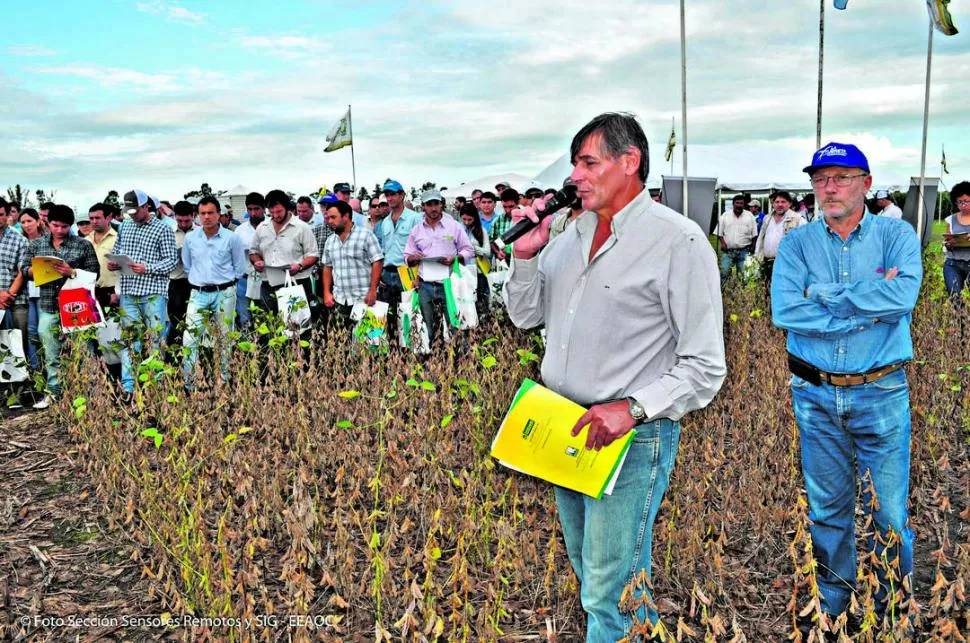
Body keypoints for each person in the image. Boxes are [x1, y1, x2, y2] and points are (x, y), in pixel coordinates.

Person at [504, 112, 725, 640]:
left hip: (629, 437)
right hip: (565, 430)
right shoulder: (565, 235)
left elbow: (705, 365)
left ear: (630, 163)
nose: (574, 177)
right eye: (574, 164)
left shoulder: (678, 242)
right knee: (595, 577)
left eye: (588, 163)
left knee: (611, 591)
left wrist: (632, 409)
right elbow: (525, 316)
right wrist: (525, 255)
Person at [772, 142, 922, 622]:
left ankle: (890, 609)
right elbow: (786, 310)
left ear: (867, 183)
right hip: (814, 394)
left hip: (880, 391)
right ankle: (833, 609)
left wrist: (824, 297)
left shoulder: (897, 234)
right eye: (819, 179)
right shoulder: (797, 242)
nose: (828, 188)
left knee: (890, 514)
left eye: (840, 177)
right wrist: (864, 310)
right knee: (828, 511)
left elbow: (903, 297)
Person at [22, 205, 100, 409]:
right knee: (50, 351)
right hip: (48, 303)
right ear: (47, 223)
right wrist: (35, 271)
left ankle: (90, 393)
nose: (59, 230)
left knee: (84, 349)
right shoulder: (37, 244)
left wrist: (72, 271)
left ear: (70, 226)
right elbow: (23, 269)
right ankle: (54, 392)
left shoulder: (83, 245)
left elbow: (94, 273)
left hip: (77, 304)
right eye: (55, 225)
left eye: (64, 227)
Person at [109, 189, 178, 398]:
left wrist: (147, 267)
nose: (131, 214)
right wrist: (115, 263)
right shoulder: (125, 227)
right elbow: (119, 250)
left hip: (153, 292)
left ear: (146, 206)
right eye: (128, 210)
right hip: (129, 291)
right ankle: (128, 387)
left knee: (154, 339)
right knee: (130, 340)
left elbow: (171, 261)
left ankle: (154, 385)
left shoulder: (162, 229)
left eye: (135, 210)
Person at [180, 196, 247, 388]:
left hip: (224, 292)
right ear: (197, 216)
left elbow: (239, 268)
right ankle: (190, 383)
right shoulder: (191, 238)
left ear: (219, 214)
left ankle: (224, 381)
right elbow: (187, 266)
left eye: (210, 213)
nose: (207, 217)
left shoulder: (231, 238)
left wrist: (225, 283)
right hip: (198, 293)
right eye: (203, 213)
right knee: (190, 338)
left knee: (225, 338)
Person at [404, 189, 474, 346]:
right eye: (429, 204)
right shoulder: (416, 230)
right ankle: (435, 362)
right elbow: (407, 256)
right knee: (429, 328)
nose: (433, 208)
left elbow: (468, 250)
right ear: (423, 206)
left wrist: (455, 258)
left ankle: (459, 364)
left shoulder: (453, 226)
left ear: (441, 205)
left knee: (455, 326)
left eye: (436, 203)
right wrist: (414, 257)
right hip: (425, 285)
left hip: (449, 284)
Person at [248, 190, 318, 314]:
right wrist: (257, 261)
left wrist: (300, 266)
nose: (275, 215)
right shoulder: (262, 227)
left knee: (296, 326)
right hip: (268, 284)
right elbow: (253, 252)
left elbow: (313, 255)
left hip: (296, 283)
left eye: (279, 211)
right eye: (271, 212)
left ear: (287, 208)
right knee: (269, 325)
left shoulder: (302, 227)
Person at [321, 200, 384, 330]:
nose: (330, 221)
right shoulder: (330, 241)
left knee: (369, 344)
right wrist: (327, 292)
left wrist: (373, 291)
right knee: (342, 344)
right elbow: (327, 267)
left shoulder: (366, 235)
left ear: (346, 216)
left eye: (333, 217)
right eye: (328, 218)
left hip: (364, 299)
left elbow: (377, 262)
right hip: (340, 300)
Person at [375, 179, 422, 342]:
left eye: (393, 194)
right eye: (387, 195)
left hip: (407, 272)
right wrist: (379, 274)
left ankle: (410, 349)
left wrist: (418, 276)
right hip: (388, 273)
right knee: (389, 315)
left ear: (402, 195)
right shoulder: (385, 222)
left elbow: (422, 249)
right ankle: (393, 352)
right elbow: (383, 250)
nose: (390, 198)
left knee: (409, 313)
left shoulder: (415, 218)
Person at [0, 198, 29, 404]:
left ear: (8, 214)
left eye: (0, 214)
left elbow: (23, 270)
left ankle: (16, 392)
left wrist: (7, 295)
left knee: (17, 344)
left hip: (15, 300)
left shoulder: (19, 239)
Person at [754, 191, 805, 283]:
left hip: (787, 264)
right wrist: (757, 256)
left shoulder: (798, 219)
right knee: (767, 290)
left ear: (789, 204)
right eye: (777, 202)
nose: (779, 205)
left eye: (783, 202)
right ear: (772, 204)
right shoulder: (767, 218)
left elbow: (806, 243)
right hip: (767, 262)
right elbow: (760, 238)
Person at [17, 208, 45, 371]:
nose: (26, 225)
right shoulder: (21, 242)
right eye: (23, 222)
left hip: (44, 293)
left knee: (44, 332)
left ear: (38, 221)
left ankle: (49, 369)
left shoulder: (47, 240)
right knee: (31, 332)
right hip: (26, 293)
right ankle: (35, 369)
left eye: (30, 221)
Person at [167, 201, 196, 346]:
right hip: (176, 282)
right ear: (174, 217)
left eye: (187, 220)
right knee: (177, 320)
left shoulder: (201, 233)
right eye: (179, 220)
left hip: (196, 283)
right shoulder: (168, 233)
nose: (183, 224)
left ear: (193, 216)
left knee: (195, 321)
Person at [459, 202, 491, 320]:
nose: (466, 222)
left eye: (470, 219)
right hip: (462, 272)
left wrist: (472, 248)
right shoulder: (458, 230)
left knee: (479, 300)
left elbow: (487, 252)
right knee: (466, 300)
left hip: (478, 272)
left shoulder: (481, 231)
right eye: (464, 219)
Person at [85, 204, 119, 312]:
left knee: (114, 327)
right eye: (91, 218)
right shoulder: (85, 240)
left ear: (108, 218)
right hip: (90, 291)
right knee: (93, 327)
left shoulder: (119, 239)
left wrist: (117, 292)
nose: (94, 221)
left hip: (113, 292)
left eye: (97, 218)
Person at [717, 194, 758, 282]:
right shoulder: (725, 215)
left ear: (744, 205)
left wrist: (753, 246)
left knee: (743, 276)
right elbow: (719, 233)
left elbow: (755, 233)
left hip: (744, 250)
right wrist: (723, 243)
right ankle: (722, 294)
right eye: (737, 203)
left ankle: (741, 294)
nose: (739, 205)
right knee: (724, 273)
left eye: (741, 203)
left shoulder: (749, 216)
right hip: (728, 251)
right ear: (733, 204)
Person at [942, 181, 970, 296]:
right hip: (953, 263)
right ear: (956, 203)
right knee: (954, 297)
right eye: (960, 202)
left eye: (967, 201)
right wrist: (948, 243)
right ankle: (959, 314)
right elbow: (945, 242)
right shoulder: (951, 219)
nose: (964, 204)